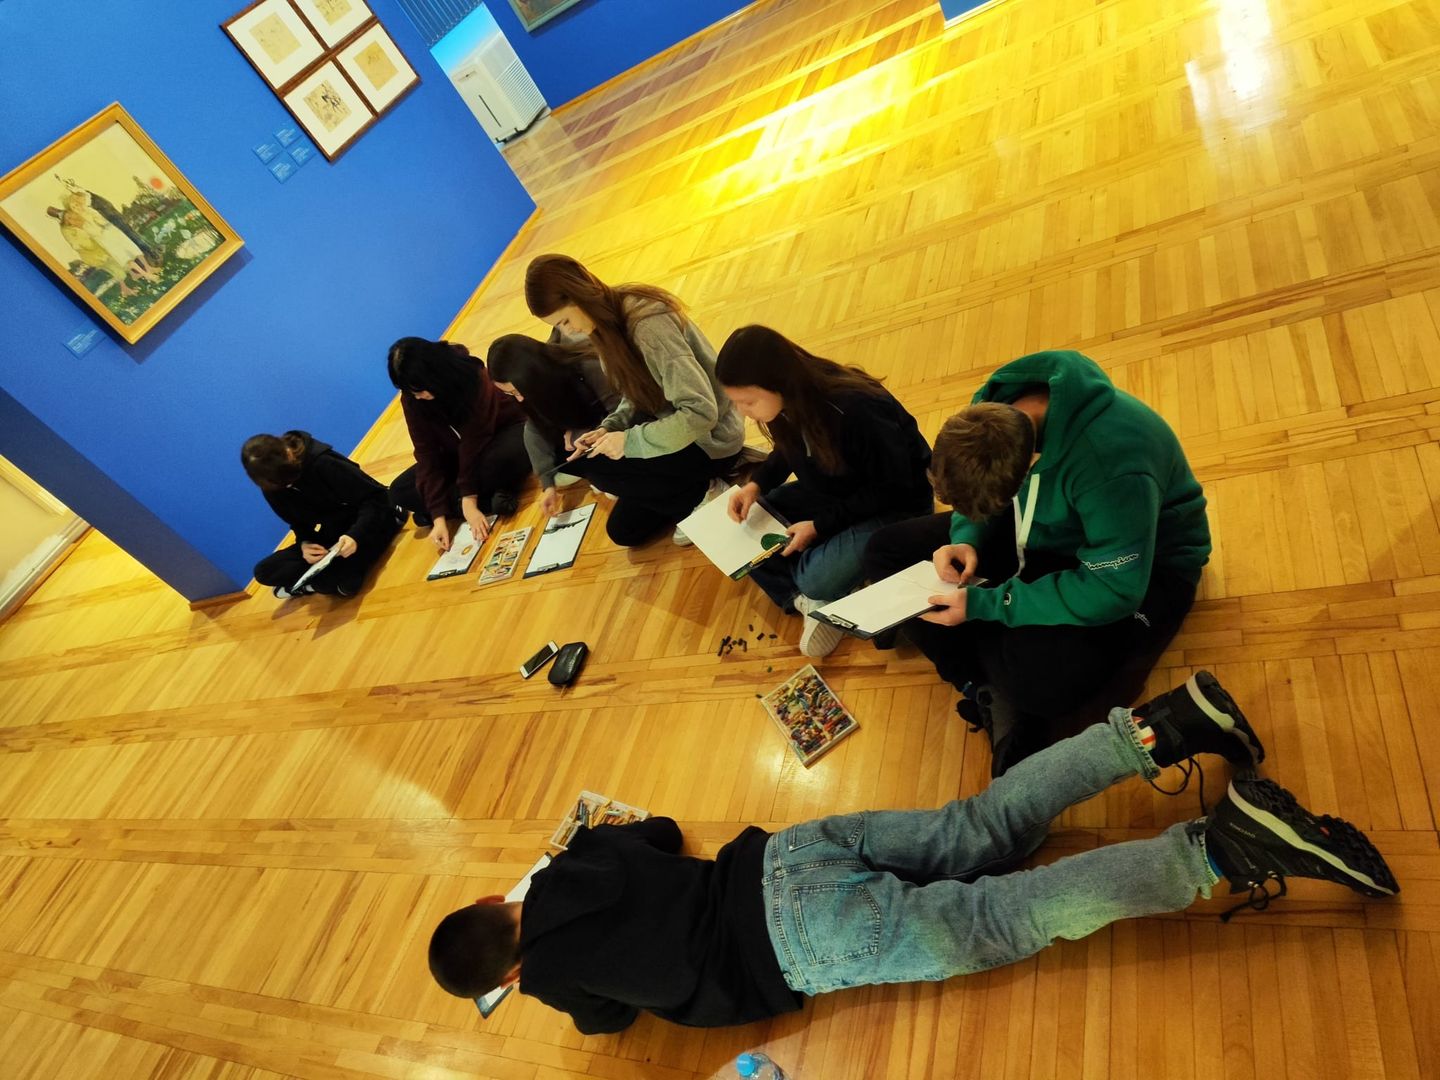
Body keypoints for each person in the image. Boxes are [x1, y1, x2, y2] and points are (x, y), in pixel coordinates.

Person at [426, 673, 1397, 1032]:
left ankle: (1220, 849)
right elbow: (659, 835)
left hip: (794, 945)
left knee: (1007, 915)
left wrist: (558, 983)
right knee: (980, 825)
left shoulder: (548, 978)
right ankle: (1162, 725)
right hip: (781, 858)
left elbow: (608, 1021)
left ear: (507, 975)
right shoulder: (571, 863)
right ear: (487, 902)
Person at [864, 349, 1210, 774]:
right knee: (884, 550)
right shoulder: (992, 415)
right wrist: (965, 537)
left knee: (1045, 685)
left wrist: (988, 604)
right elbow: (983, 502)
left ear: (1029, 467)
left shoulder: (1113, 467)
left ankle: (1002, 678)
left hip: (1144, 567)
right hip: (1047, 530)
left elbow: (1115, 591)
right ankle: (982, 687)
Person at [715, 325, 934, 658]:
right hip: (837, 490)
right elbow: (787, 449)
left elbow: (893, 487)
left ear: (778, 381)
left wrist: (819, 526)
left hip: (898, 505)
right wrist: (756, 484)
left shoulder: (856, 409)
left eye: (748, 402)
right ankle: (805, 599)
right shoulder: (790, 402)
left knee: (815, 578)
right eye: (737, 403)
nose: (744, 413)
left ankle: (815, 591)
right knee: (750, 526)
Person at [523, 254, 745, 545]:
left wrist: (628, 442)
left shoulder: (647, 325)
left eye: (565, 321)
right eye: (558, 327)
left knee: (599, 471)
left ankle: (708, 491)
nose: (568, 332)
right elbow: (634, 392)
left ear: (579, 294)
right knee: (624, 532)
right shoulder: (603, 324)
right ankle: (694, 492)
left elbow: (700, 414)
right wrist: (610, 427)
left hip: (710, 440)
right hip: (671, 428)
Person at [387, 336, 532, 553]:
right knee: (399, 491)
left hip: (499, 434)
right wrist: (438, 517)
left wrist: (469, 499)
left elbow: (476, 439)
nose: (418, 397)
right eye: (411, 392)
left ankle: (464, 504)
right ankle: (489, 500)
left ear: (434, 374)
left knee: (505, 458)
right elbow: (426, 453)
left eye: (420, 390)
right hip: (456, 453)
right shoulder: (412, 398)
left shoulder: (472, 375)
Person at [242, 430, 401, 599]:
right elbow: (298, 523)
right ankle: (321, 579)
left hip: (370, 519)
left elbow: (376, 498)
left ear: (288, 454)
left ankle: (313, 583)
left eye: (289, 482)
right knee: (264, 571)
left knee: (337, 583)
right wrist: (305, 544)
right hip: (334, 531)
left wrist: (355, 535)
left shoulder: (323, 462)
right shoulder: (272, 486)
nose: (287, 487)